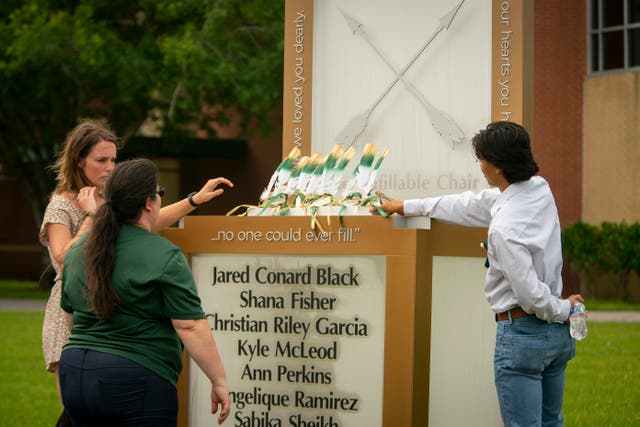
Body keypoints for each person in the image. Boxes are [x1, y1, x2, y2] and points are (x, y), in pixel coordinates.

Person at [372, 121, 583, 426]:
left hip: (523, 338)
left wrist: (565, 309)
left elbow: (530, 295)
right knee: (553, 423)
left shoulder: (504, 229)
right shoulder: (539, 189)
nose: (480, 166)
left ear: (497, 166)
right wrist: (405, 205)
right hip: (556, 340)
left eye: (481, 159)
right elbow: (470, 204)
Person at [39, 119, 233, 407]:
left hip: (112, 306)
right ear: (79, 161)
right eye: (101, 160)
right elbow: (64, 257)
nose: (109, 167)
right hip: (75, 307)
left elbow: (150, 218)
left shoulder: (112, 198)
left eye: (114, 160)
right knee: (74, 411)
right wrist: (94, 215)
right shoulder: (63, 203)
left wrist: (194, 200)